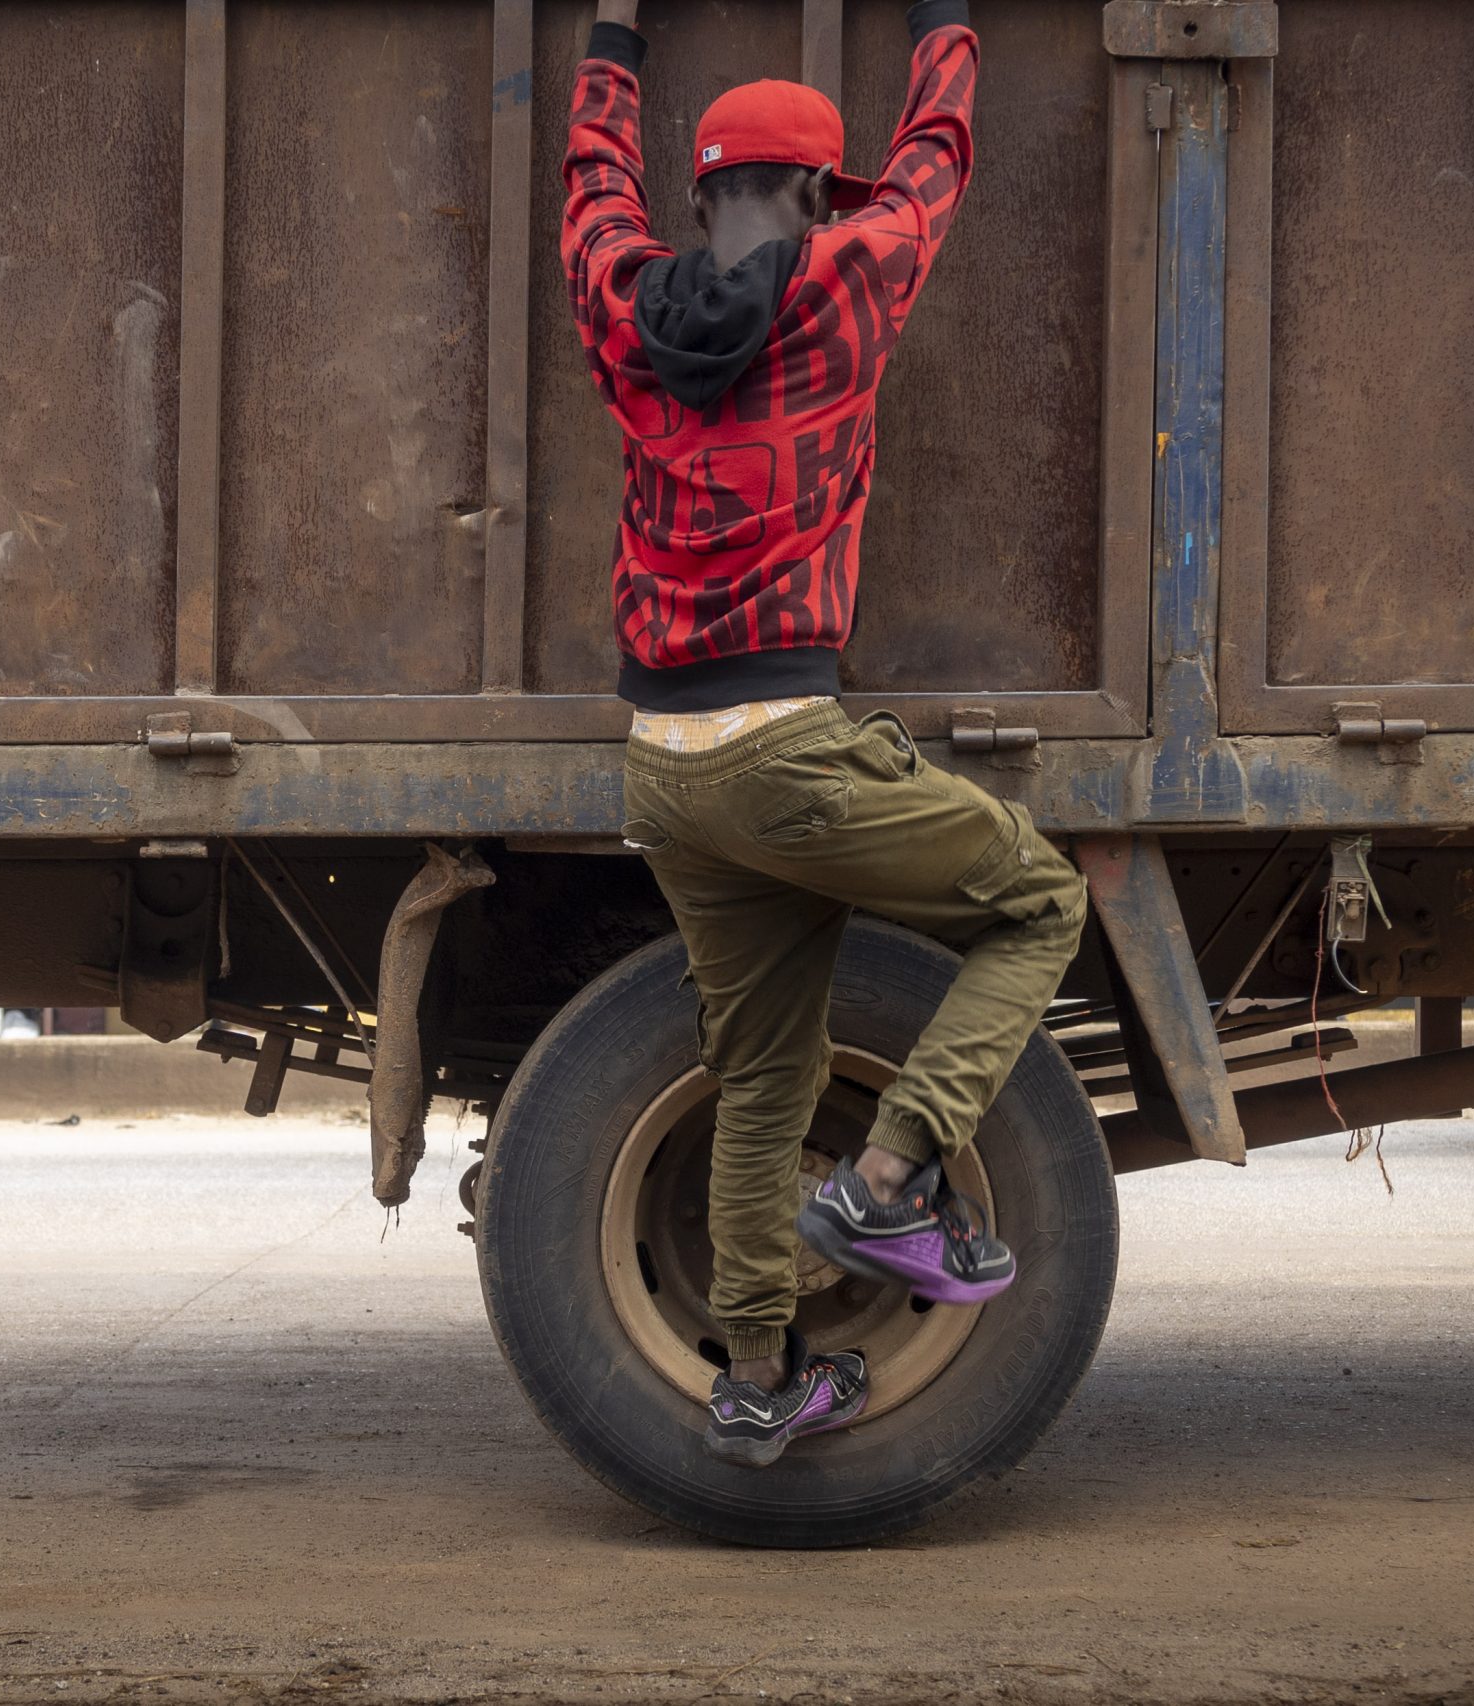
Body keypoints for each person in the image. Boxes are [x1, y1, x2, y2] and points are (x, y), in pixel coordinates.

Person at [562, 0, 1088, 1466]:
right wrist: (944, 25)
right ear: (805, 196)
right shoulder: (849, 279)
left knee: (758, 1082)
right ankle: (887, 1177)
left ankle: (752, 1379)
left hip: (661, 768)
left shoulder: (623, 300)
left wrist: (611, 40)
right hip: (785, 749)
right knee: (1039, 899)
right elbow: (937, 159)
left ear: (703, 195)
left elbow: (588, 193)